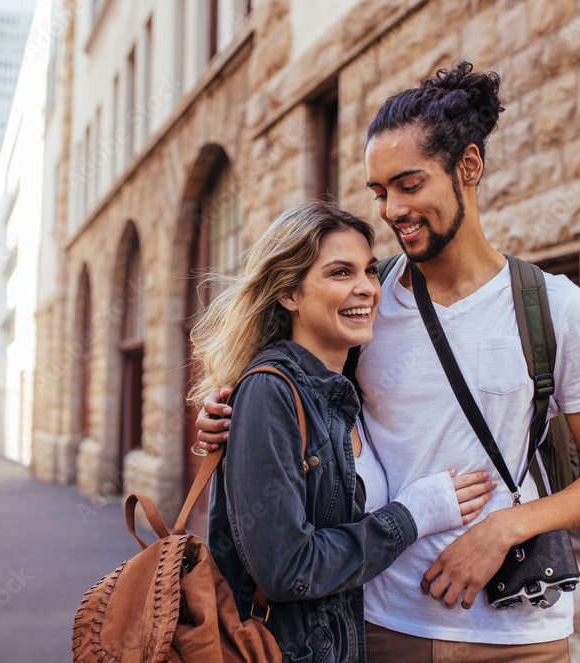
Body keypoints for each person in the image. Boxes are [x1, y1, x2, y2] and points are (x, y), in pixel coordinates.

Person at [195, 61, 580, 661]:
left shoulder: (554, 308)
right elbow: (287, 396)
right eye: (379, 192)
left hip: (518, 638)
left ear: (469, 168)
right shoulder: (366, 306)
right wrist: (222, 413)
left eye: (409, 185)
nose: (390, 209)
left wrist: (505, 526)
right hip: (379, 625)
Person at [190, 199, 496, 662]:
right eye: (339, 273)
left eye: (370, 271)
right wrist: (412, 516)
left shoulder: (345, 390)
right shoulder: (271, 393)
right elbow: (287, 567)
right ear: (289, 294)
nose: (366, 289)